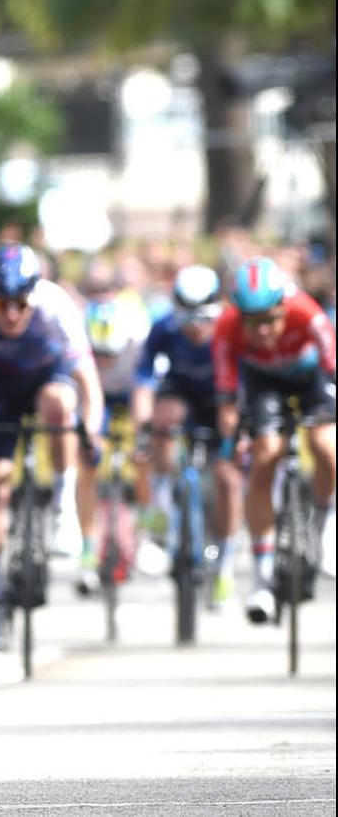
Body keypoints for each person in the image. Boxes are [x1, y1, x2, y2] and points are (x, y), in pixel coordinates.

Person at [0, 242, 103, 651]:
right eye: (3, 305)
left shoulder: (56, 305)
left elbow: (88, 380)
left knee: (58, 404)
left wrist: (91, 430)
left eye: (20, 303)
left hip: (49, 376)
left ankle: (63, 509)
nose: (12, 313)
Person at [213, 257, 336, 622]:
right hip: (263, 383)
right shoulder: (225, 328)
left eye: (269, 319)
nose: (262, 330)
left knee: (326, 447)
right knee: (265, 455)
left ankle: (324, 525)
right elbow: (226, 399)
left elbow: (332, 361)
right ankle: (262, 576)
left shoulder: (307, 312)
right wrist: (233, 434)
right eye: (251, 322)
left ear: (284, 305)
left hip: (310, 377)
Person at [131, 265, 243, 607]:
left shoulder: (231, 328)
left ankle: (224, 565)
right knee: (163, 420)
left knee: (228, 481)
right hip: (180, 394)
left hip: (221, 398)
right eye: (187, 320)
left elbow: (246, 387)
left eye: (203, 319)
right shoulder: (164, 328)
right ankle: (162, 502)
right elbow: (144, 383)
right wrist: (143, 432)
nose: (195, 328)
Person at [74, 270, 151, 596]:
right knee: (88, 460)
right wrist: (89, 436)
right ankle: (88, 547)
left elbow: (145, 391)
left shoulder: (138, 336)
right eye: (99, 356)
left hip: (132, 389)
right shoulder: (77, 337)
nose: (105, 361)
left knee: (145, 451)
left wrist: (142, 436)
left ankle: (145, 530)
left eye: (111, 355)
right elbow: (81, 396)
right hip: (96, 395)